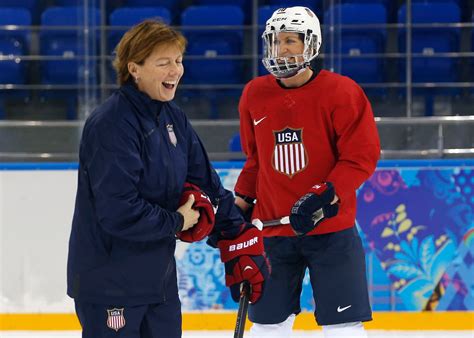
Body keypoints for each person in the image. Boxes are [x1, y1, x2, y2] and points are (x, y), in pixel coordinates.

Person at [67, 20, 269, 338]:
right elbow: (118, 211)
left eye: (178, 61)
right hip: (110, 286)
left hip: (158, 285)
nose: (175, 70)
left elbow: (207, 185)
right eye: (164, 63)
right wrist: (177, 221)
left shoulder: (172, 118)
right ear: (134, 69)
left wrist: (238, 240)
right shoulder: (112, 124)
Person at [234, 6, 381, 338]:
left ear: (311, 45)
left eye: (290, 40)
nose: (281, 48)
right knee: (268, 324)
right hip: (271, 231)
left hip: (331, 229)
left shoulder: (341, 92)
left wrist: (323, 194)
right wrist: (239, 205)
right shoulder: (254, 94)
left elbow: (360, 157)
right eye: (275, 41)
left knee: (343, 325)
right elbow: (255, 160)